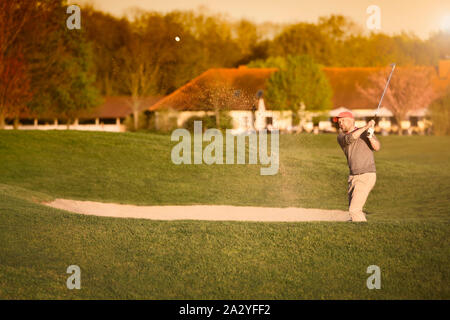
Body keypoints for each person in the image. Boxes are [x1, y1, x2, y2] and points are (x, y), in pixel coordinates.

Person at [333, 111, 381, 222]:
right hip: (353, 177)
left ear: (351, 120)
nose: (340, 124)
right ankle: (357, 230)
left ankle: (363, 232)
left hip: (366, 175)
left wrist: (370, 137)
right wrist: (366, 127)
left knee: (354, 210)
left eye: (343, 120)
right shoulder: (341, 136)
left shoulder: (365, 132)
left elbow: (377, 147)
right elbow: (350, 138)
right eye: (339, 122)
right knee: (354, 212)